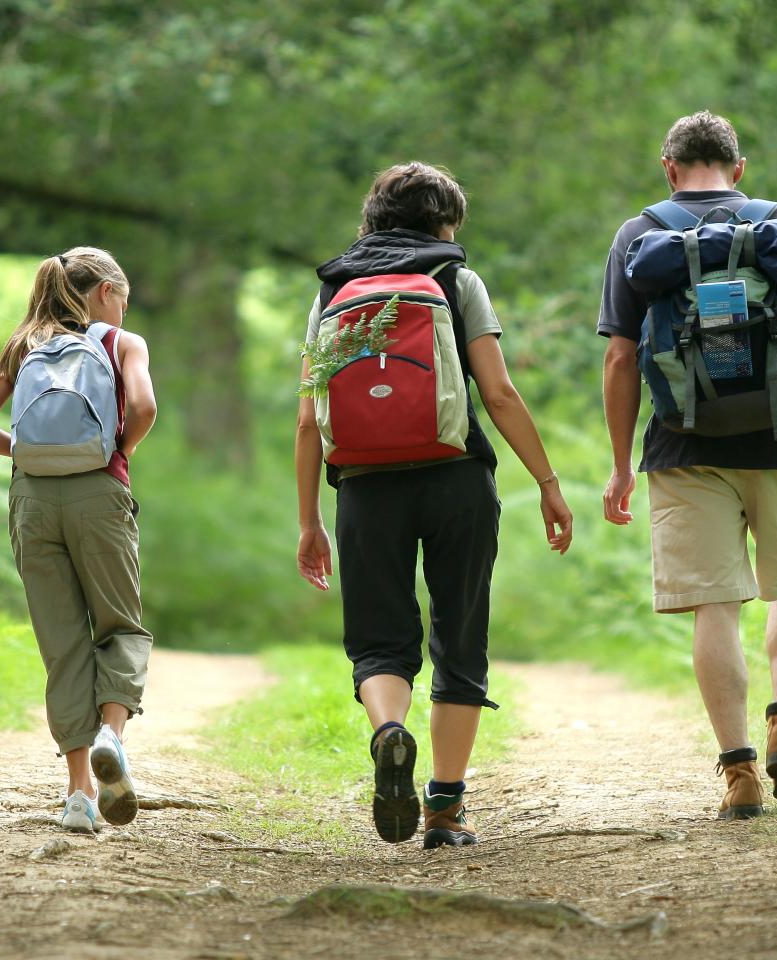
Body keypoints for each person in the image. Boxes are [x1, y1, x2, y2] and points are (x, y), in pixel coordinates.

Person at [597, 112, 777, 820]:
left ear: (668, 168)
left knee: (715, 605)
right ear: (739, 168)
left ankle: (741, 773)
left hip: (685, 446)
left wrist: (621, 465)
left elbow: (621, 358)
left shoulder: (638, 236)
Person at [295, 162, 574, 849]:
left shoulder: (334, 289)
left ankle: (389, 731)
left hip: (365, 486)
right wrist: (547, 481)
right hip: (457, 478)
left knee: (379, 641)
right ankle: (444, 810)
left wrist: (310, 521)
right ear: (445, 223)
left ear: (374, 217)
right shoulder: (456, 280)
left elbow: (307, 418)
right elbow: (499, 393)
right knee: (460, 634)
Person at [0, 247, 157, 833]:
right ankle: (112, 737)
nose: (122, 312)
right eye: (122, 301)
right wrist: (118, 449)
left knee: (63, 645)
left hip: (33, 502)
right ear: (105, 293)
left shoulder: (23, 345)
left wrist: (25, 452)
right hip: (99, 494)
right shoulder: (121, 343)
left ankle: (78, 796)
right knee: (120, 626)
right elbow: (144, 406)